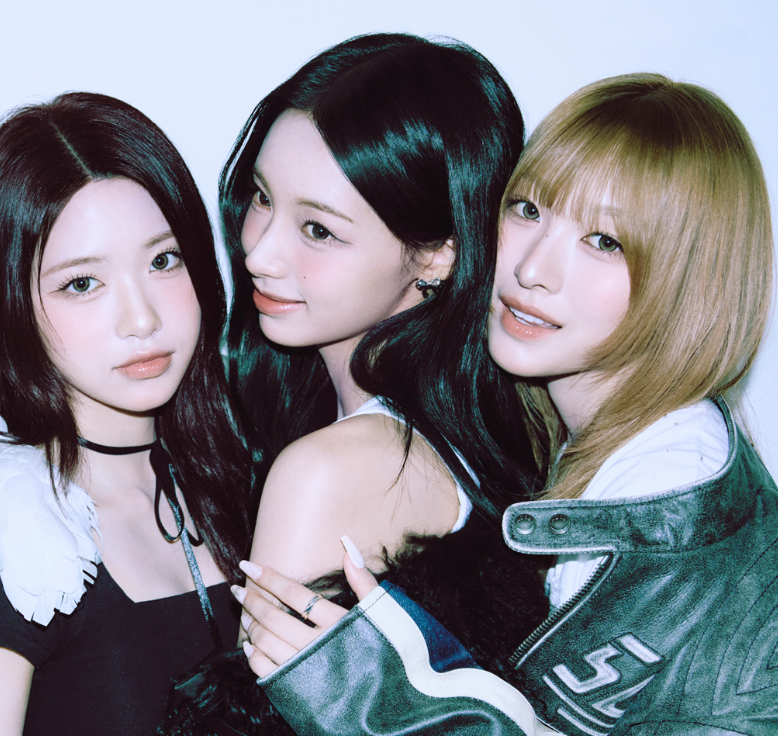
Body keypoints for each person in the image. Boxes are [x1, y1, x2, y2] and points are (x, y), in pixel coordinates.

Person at [240, 73, 777, 735]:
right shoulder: (570, 439)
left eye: (604, 242)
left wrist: (378, 701)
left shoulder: (669, 502)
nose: (531, 269)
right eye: (527, 210)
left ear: (691, 282)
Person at [161, 34, 548, 736]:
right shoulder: (478, 431)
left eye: (317, 230)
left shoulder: (330, 471)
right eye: (261, 197)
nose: (258, 251)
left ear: (436, 256)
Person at [0, 91, 250, 736]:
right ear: (12, 303)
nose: (141, 319)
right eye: (82, 283)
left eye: (163, 260)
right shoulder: (0, 531)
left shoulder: (251, 476)